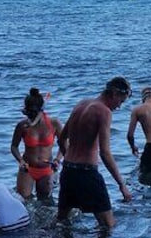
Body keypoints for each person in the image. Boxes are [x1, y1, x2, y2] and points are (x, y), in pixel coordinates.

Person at [57, 76, 133, 228]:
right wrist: (121, 184)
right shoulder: (104, 112)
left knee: (62, 221)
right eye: (121, 101)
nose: (119, 107)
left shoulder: (81, 104)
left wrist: (70, 160)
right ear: (114, 94)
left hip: (67, 171)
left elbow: (61, 139)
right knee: (108, 225)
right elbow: (105, 152)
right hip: (87, 173)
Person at [10, 88, 64, 200]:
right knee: (23, 200)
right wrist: (20, 160)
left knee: (45, 202)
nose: (30, 116)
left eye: (33, 112)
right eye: (28, 112)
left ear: (41, 110)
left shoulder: (54, 123)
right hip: (27, 169)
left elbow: (64, 145)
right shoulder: (22, 125)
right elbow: (14, 146)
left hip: (46, 169)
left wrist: (57, 160)